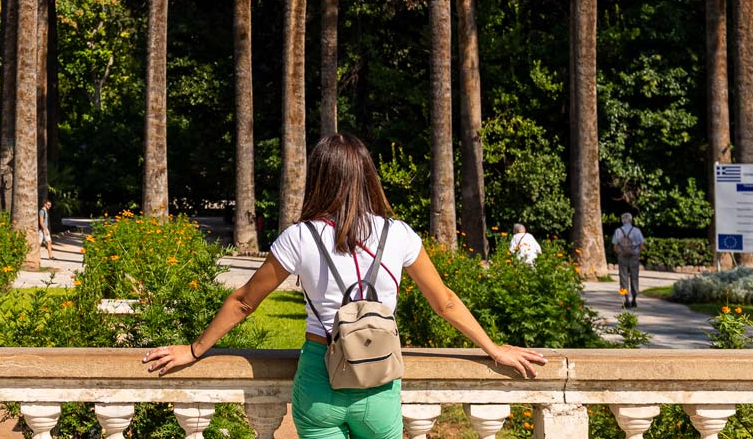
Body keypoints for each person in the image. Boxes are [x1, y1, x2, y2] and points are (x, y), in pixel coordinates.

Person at [144, 134, 546, 439]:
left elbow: (244, 302)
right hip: (380, 383)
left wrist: (194, 350)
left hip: (320, 379)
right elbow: (445, 303)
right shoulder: (400, 235)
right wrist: (494, 349)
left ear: (319, 178)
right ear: (367, 177)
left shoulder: (300, 238)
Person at [611, 213, 645, 308]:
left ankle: (626, 300)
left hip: (622, 256)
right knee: (634, 277)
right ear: (631, 220)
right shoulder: (636, 231)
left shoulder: (618, 231)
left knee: (623, 277)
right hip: (634, 256)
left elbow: (615, 247)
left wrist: (620, 253)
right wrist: (636, 253)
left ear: (622, 220)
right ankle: (634, 299)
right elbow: (642, 246)